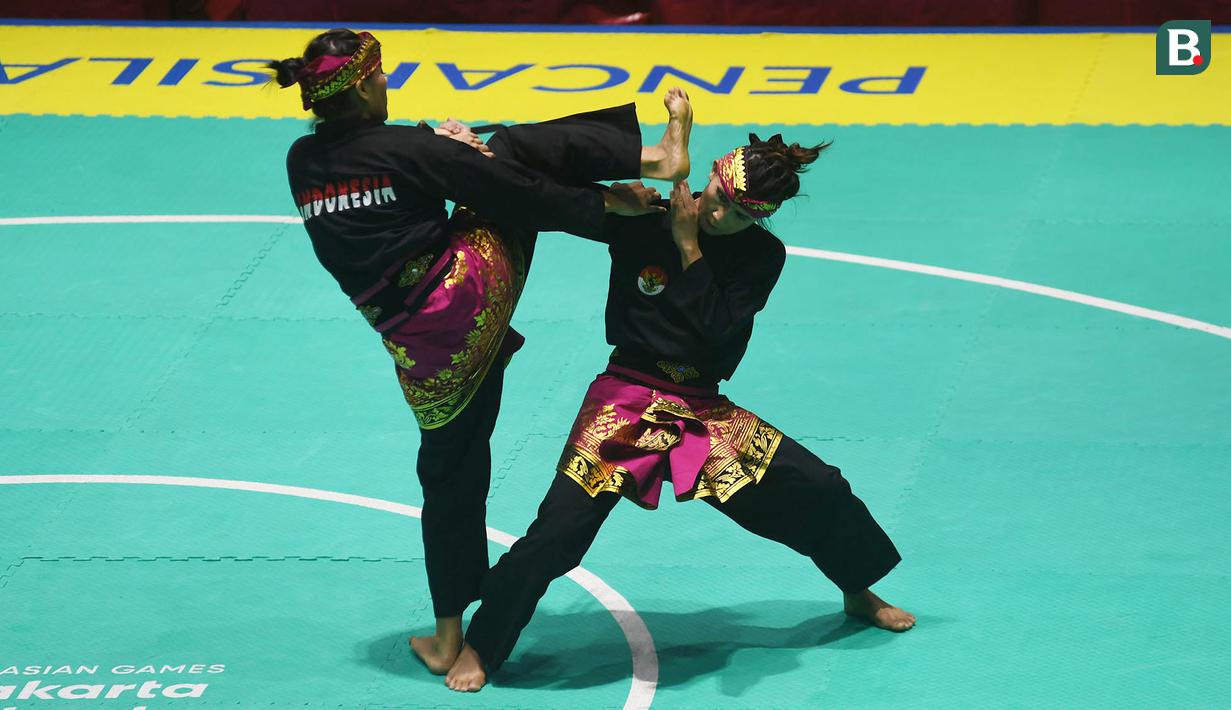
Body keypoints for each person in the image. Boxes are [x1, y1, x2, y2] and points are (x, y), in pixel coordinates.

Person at [267, 28, 695, 673]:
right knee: (508, 147)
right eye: (381, 75)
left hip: (416, 348)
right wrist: (613, 208)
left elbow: (388, 171)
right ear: (361, 86)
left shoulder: (302, 160)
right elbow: (518, 194)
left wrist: (440, 152)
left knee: (449, 474)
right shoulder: (409, 148)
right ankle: (654, 160)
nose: (387, 83)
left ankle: (446, 637)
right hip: (463, 297)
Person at [445, 134, 916, 692]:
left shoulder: (763, 256)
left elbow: (716, 327)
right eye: (718, 197)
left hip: (704, 409)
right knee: (557, 533)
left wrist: (689, 245)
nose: (719, 215)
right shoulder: (643, 217)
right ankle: (483, 642)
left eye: (739, 214)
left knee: (818, 488)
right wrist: (482, 156)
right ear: (709, 177)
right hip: (625, 397)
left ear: (760, 220)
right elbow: (552, 197)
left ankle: (858, 589)